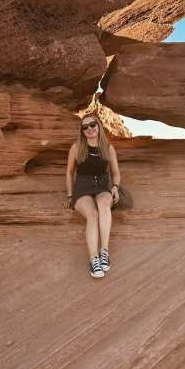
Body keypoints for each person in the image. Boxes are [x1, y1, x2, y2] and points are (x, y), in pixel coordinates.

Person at [63, 113, 121, 278]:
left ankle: (104, 252)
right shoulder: (76, 147)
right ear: (82, 131)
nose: (89, 129)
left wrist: (115, 187)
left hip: (102, 186)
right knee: (92, 214)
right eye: (85, 127)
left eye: (92, 125)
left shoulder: (108, 148)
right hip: (82, 188)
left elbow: (116, 173)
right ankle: (93, 259)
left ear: (99, 125)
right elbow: (69, 173)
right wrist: (69, 196)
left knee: (103, 205)